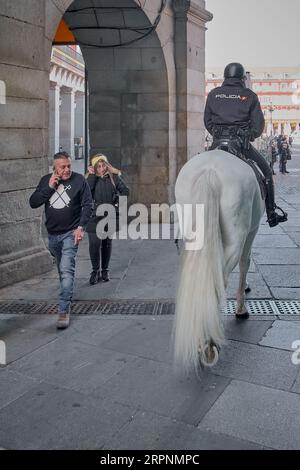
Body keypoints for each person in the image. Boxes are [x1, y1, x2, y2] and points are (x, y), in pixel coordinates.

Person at [204, 62, 288, 227]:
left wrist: (216, 131)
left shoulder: (214, 94)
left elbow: (207, 120)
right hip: (239, 144)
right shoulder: (249, 95)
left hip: (217, 143)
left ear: (225, 77)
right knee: (266, 171)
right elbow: (258, 125)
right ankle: (271, 214)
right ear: (242, 78)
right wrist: (249, 134)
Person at [29, 151, 93, 329]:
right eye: (62, 167)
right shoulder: (45, 180)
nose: (67, 170)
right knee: (62, 269)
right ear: (54, 168)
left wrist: (80, 227)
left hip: (70, 233)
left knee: (66, 270)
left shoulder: (80, 180)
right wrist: (48, 187)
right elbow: (33, 202)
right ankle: (67, 289)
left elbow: (88, 205)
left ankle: (64, 309)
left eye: (69, 166)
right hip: (52, 235)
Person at [86, 154, 129, 285]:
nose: (102, 168)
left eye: (103, 165)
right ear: (94, 167)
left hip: (110, 214)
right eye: (98, 166)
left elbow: (126, 191)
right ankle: (95, 271)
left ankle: (105, 270)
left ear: (107, 165)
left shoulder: (113, 178)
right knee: (94, 244)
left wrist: (117, 202)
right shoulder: (89, 179)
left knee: (106, 243)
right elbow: (87, 192)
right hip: (94, 216)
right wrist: (92, 175)